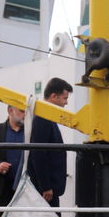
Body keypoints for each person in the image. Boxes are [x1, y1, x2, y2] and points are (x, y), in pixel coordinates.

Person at [28, 77, 72, 208]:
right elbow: (38, 154)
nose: (66, 103)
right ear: (53, 96)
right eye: (64, 98)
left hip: (49, 188)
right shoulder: (43, 119)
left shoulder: (47, 118)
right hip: (46, 190)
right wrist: (46, 186)